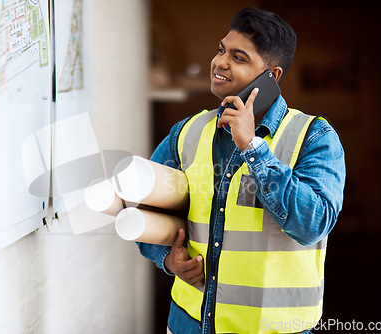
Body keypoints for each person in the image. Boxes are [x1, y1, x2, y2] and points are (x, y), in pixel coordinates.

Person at [138, 6, 346, 334]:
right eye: (221, 50)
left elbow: (314, 224)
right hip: (187, 325)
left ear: (271, 77)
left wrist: (253, 148)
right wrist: (166, 257)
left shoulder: (314, 137)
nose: (220, 62)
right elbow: (141, 204)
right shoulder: (186, 132)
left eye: (239, 57)